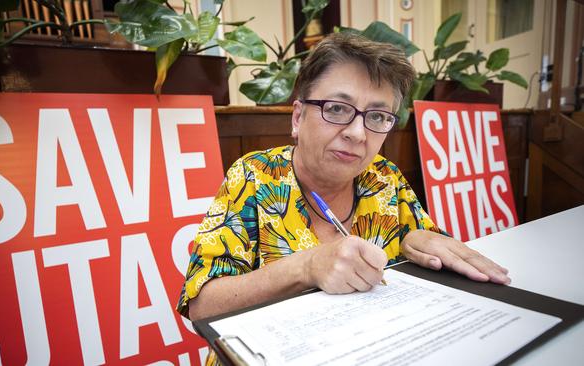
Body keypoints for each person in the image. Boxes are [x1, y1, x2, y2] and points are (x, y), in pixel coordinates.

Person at [177, 32, 511, 364]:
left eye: (377, 116)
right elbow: (201, 306)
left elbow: (418, 243)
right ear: (297, 118)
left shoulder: (383, 176)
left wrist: (416, 240)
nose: (357, 133)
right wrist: (306, 267)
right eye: (337, 109)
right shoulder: (252, 177)